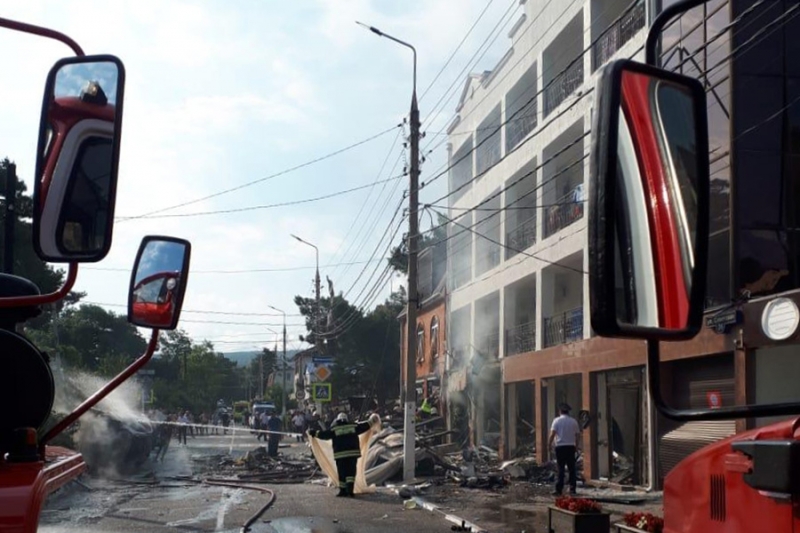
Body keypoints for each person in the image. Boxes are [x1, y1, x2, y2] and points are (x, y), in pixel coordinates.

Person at [309, 412, 371, 497]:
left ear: (337, 420)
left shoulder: (335, 429)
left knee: (342, 473)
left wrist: (314, 433)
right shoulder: (353, 426)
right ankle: (350, 491)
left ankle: (343, 491)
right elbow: (364, 426)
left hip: (340, 455)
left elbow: (325, 435)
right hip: (352, 454)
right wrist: (372, 421)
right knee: (351, 473)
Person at [549, 403, 581, 496]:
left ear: (560, 411)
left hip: (560, 447)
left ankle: (559, 489)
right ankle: (572, 489)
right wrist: (576, 446)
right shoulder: (574, 421)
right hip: (571, 447)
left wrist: (549, 445)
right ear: (568, 412)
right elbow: (578, 435)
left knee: (561, 468)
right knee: (572, 469)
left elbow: (552, 434)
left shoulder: (556, 421)